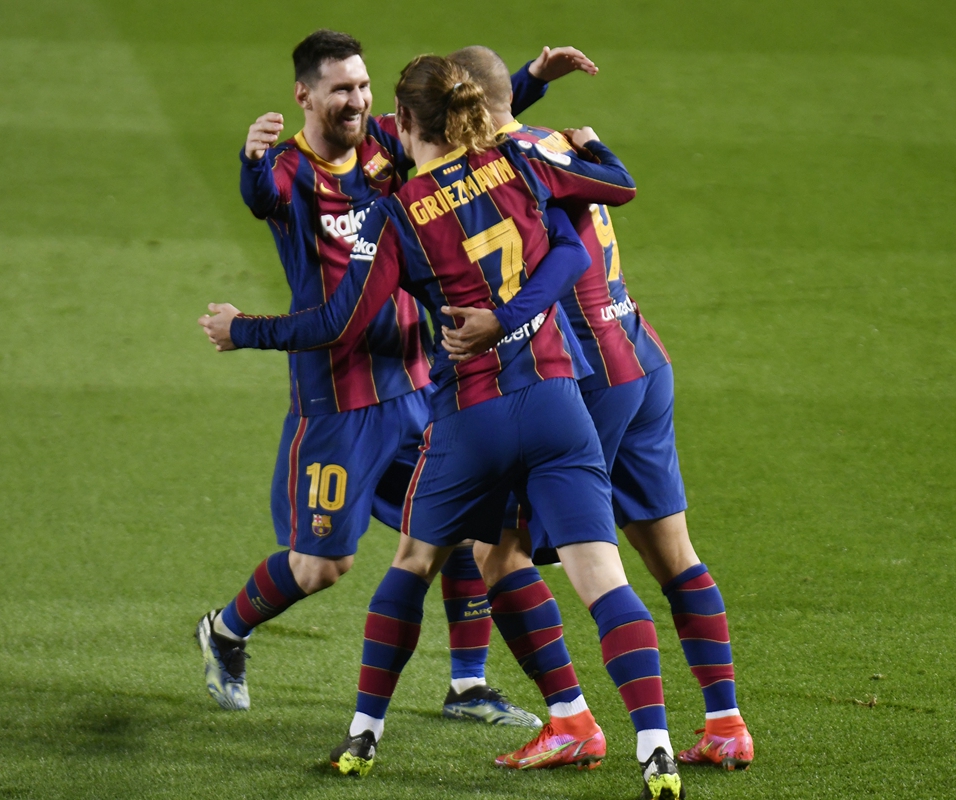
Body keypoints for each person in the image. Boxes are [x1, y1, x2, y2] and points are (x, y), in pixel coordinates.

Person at [200, 54, 684, 800]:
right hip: (530, 401)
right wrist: (514, 315)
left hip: (458, 407)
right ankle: (656, 749)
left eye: (369, 91)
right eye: (344, 88)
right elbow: (575, 234)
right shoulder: (515, 161)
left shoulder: (395, 201)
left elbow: (338, 319)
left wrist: (243, 330)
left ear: (399, 113)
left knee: (421, 556)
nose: (360, 102)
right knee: (597, 577)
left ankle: (379, 728)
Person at [439, 45, 755, 771]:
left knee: (497, 552)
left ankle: (570, 720)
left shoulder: (500, 168)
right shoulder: (550, 146)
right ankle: (725, 722)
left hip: (586, 378)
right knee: (674, 552)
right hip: (643, 354)